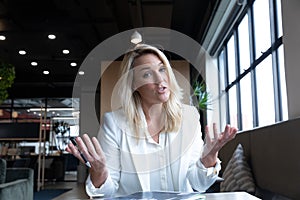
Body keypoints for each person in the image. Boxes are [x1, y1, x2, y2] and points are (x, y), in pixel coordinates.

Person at [66, 43, 237, 198]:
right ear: (133, 84)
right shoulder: (114, 122)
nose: (160, 79)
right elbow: (107, 191)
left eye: (162, 69)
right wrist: (100, 172)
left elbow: (198, 184)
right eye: (147, 74)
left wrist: (209, 158)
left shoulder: (190, 117)